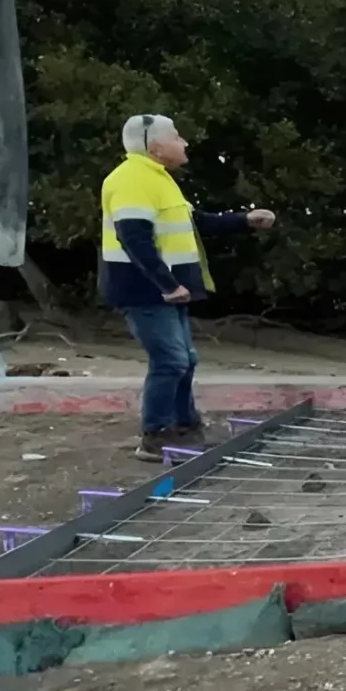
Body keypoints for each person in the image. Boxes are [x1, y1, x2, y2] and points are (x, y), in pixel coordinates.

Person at [98, 113, 275, 461]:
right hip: (146, 289)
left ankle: (184, 427)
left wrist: (244, 220)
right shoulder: (132, 179)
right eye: (177, 136)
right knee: (170, 361)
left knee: (185, 360)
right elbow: (134, 239)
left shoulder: (158, 178)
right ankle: (155, 437)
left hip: (165, 289)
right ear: (156, 145)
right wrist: (166, 283)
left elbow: (194, 222)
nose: (185, 142)